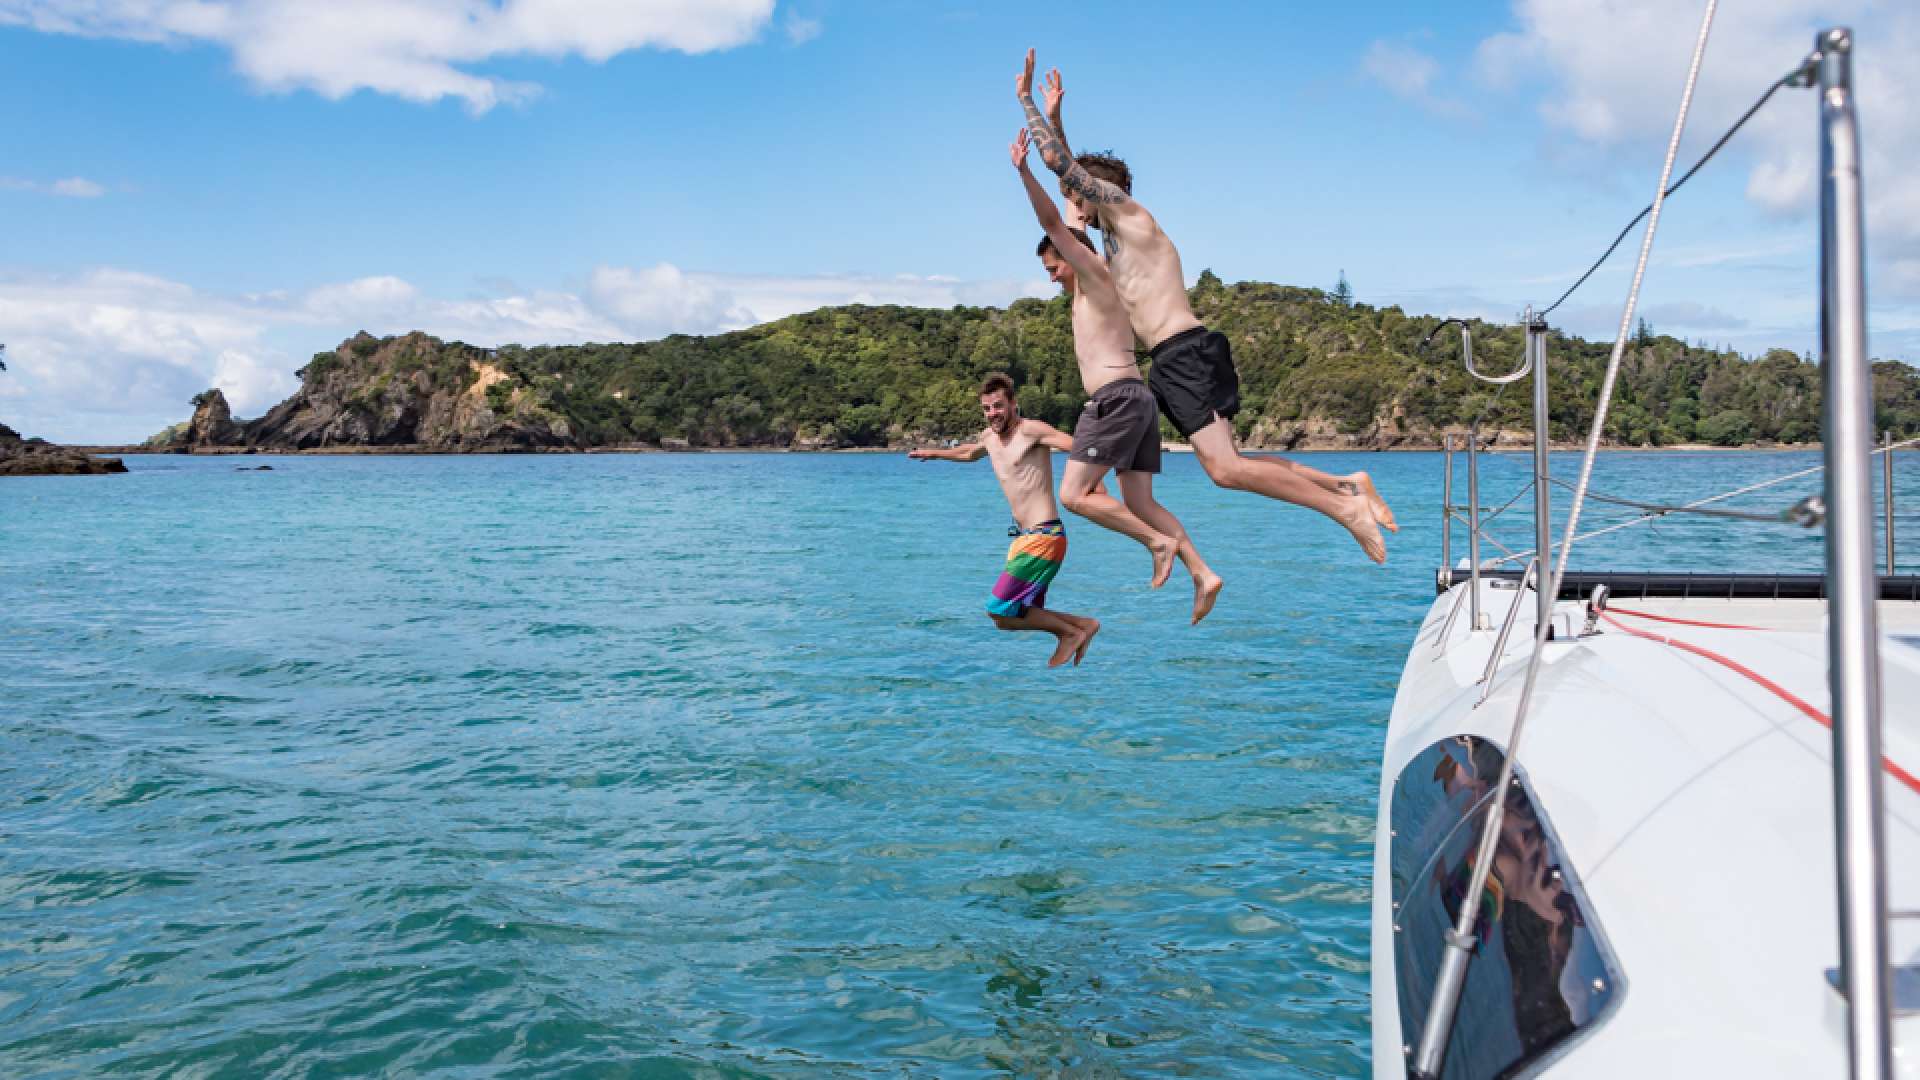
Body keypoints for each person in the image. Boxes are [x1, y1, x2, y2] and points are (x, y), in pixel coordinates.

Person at [1016, 50, 1397, 564]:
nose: (1075, 203)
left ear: (1103, 190)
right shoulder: (1111, 239)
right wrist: (1057, 117)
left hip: (1182, 352)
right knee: (1231, 465)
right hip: (1175, 358)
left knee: (1226, 471)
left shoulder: (1130, 215)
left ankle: (1344, 510)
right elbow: (1066, 188)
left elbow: (1062, 168)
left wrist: (1027, 103)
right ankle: (1348, 485)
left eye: (1082, 194)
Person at [1011, 126, 1223, 624]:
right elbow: (1071, 211)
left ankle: (1156, 544)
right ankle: (1203, 572)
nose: (1051, 276)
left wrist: (1023, 172)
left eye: (1052, 267)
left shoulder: (1095, 275)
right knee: (1139, 500)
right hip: (1137, 399)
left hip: (1115, 400)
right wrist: (1055, 120)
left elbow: (1056, 220)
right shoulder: (1097, 272)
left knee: (1073, 496)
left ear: (1072, 259)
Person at [909, 373, 1100, 667]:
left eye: (998, 406)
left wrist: (1093, 482)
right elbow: (969, 453)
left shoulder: (1032, 431)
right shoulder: (989, 438)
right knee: (1008, 619)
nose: (992, 414)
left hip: (1044, 537)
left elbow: (1079, 447)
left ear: (1013, 403)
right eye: (986, 409)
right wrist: (934, 453)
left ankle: (1071, 632)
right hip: (1025, 539)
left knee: (999, 609)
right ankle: (1082, 626)